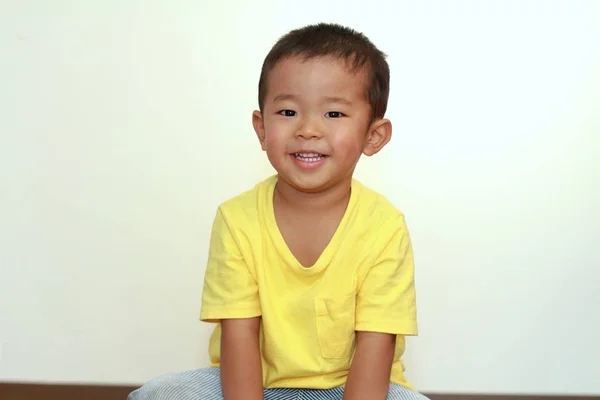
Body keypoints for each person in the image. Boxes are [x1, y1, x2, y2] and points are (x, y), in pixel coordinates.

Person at [129, 22, 429, 400]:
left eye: (334, 114)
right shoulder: (236, 219)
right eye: (288, 112)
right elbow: (239, 337)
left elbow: (376, 346)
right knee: (157, 394)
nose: (307, 129)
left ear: (374, 136)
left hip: (352, 388)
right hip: (255, 385)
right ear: (261, 129)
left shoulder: (384, 226)